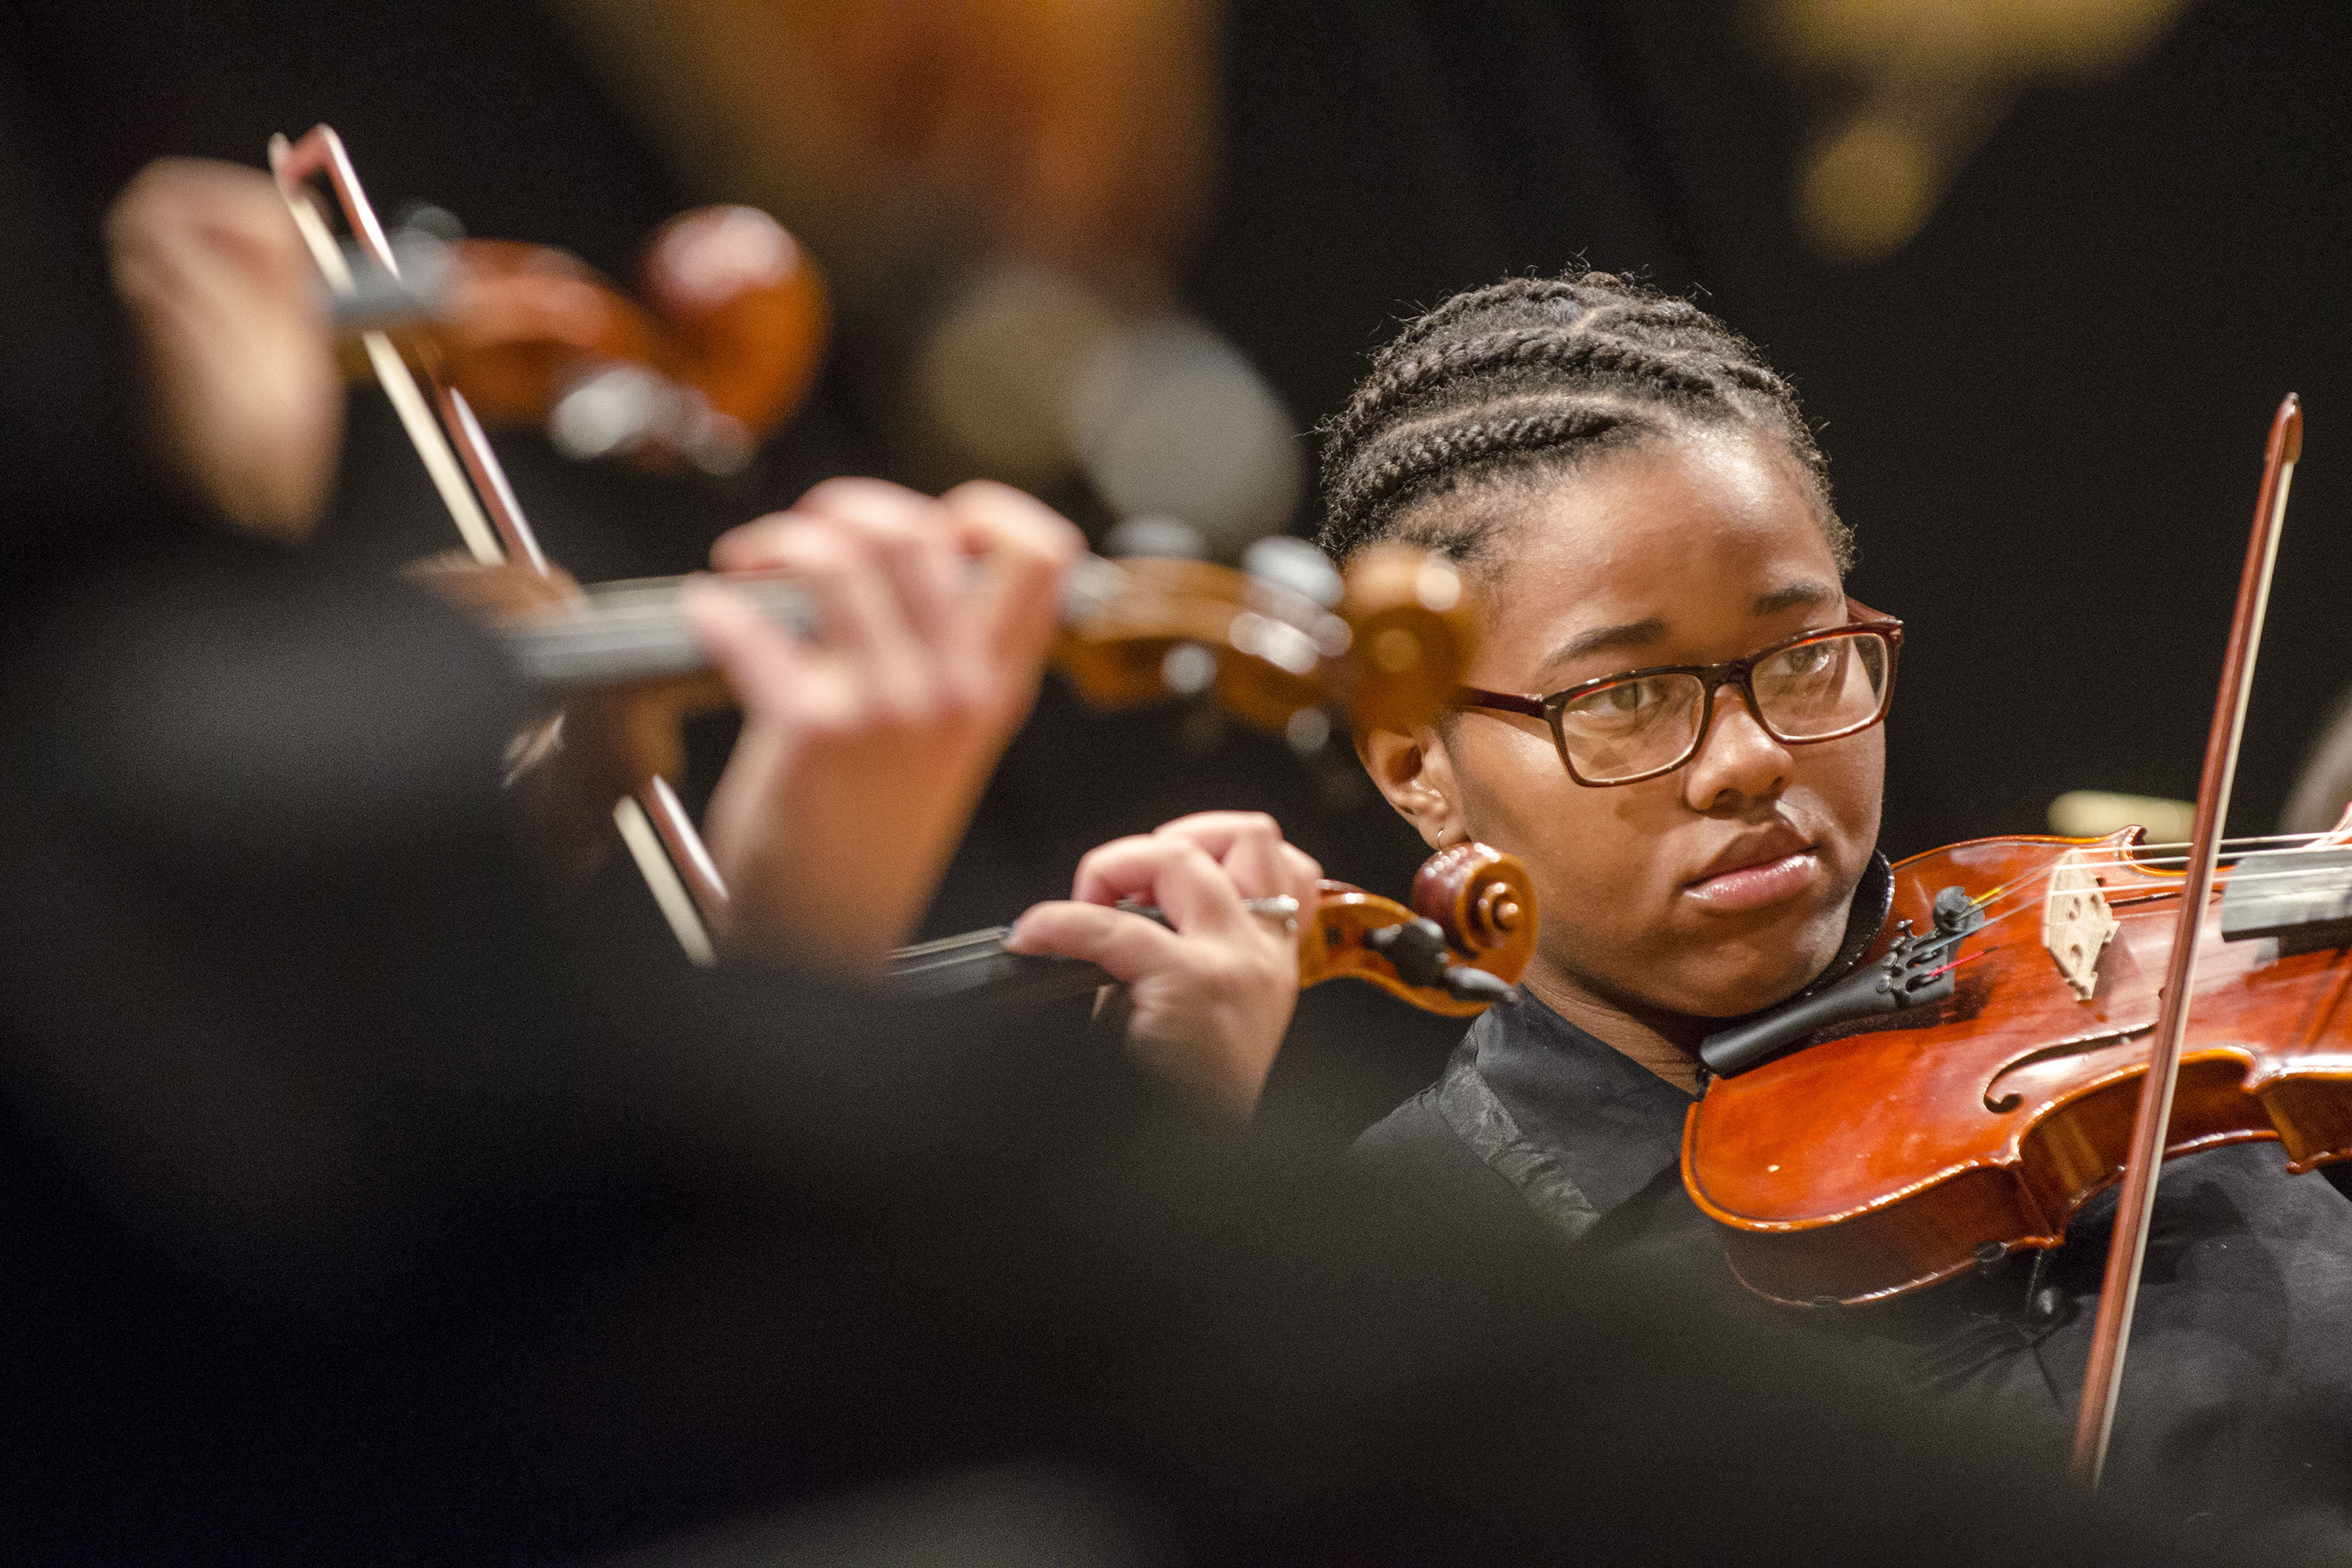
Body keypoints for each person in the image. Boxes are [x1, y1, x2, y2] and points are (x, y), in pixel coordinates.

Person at [1297, 269, 2352, 1547]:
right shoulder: (1421, 1282)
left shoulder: (2170, 1009)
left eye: (1800, 659)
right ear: (1419, 768)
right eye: (1623, 697)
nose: (1747, 758)